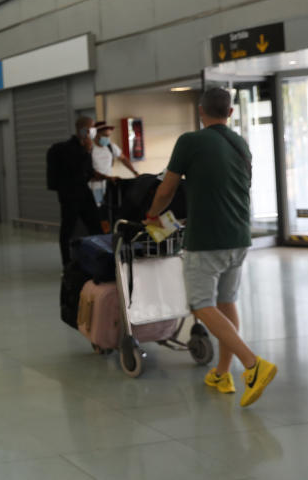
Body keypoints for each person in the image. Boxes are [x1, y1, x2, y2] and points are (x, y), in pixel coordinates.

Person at [145, 88, 276, 407]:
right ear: (230, 113)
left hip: (206, 239)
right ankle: (221, 372)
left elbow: (166, 188)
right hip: (239, 236)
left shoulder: (190, 141)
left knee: (202, 306)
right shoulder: (240, 143)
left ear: (201, 112)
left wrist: (152, 216)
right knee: (226, 302)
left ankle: (252, 365)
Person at [54, 117, 109, 267]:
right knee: (68, 228)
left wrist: (107, 177)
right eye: (91, 128)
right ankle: (67, 262)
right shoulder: (67, 148)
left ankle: (100, 256)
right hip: (70, 195)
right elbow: (75, 169)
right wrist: (86, 150)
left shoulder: (87, 147)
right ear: (83, 130)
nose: (93, 132)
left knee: (95, 226)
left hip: (84, 193)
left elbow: (89, 171)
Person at [89, 121, 139, 205]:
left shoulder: (110, 147)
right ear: (97, 135)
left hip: (108, 185)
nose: (107, 139)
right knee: (97, 211)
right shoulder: (91, 149)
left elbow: (124, 159)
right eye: (105, 136)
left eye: (108, 136)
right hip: (94, 186)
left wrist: (135, 172)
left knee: (109, 209)